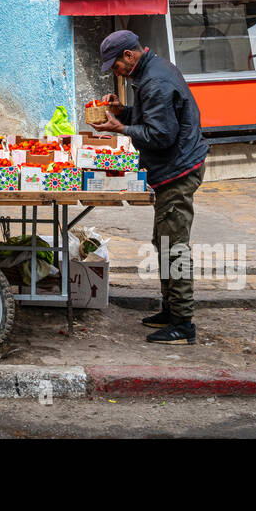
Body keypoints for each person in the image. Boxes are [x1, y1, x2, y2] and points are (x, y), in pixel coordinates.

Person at [89, 29, 209, 345]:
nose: (114, 72)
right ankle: (171, 310)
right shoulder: (151, 72)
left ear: (129, 56)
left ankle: (183, 323)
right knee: (164, 241)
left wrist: (122, 129)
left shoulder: (155, 81)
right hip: (173, 169)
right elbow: (153, 119)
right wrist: (123, 113)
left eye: (115, 65)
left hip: (178, 171)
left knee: (174, 247)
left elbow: (161, 135)